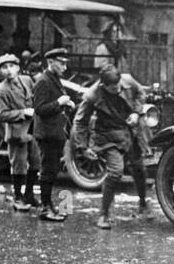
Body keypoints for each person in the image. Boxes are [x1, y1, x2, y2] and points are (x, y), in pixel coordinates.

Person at [73, 65, 152, 229]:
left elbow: (141, 94)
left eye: (118, 86)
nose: (117, 90)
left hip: (130, 131)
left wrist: (136, 113)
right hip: (107, 135)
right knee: (116, 171)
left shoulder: (128, 81)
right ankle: (103, 214)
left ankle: (143, 205)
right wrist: (83, 147)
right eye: (113, 88)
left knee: (138, 168)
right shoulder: (92, 95)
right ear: (103, 85)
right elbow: (80, 122)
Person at [0, 53, 40, 213]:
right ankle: (18, 196)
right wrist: (23, 112)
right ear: (1, 71)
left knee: (36, 161)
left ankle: (29, 194)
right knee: (19, 165)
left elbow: (35, 97)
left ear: (18, 68)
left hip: (32, 129)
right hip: (17, 132)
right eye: (4, 68)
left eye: (11, 66)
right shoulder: (3, 90)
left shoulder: (26, 81)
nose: (8, 70)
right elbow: (2, 115)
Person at [32, 47, 74, 222]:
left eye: (65, 63)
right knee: (47, 171)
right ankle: (45, 208)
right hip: (47, 133)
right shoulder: (43, 81)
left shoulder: (54, 79)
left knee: (52, 170)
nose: (64, 67)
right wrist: (59, 102)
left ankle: (48, 205)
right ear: (51, 62)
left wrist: (66, 105)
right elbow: (40, 109)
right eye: (61, 63)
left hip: (55, 133)